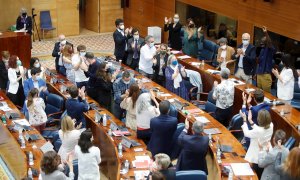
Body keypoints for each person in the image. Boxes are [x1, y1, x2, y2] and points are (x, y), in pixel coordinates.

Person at [240, 109, 274, 178]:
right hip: (267, 153)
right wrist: (250, 120)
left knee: (257, 175)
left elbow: (247, 133)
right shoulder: (271, 125)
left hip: (257, 156)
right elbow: (259, 129)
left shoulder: (258, 130)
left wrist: (244, 119)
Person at [257, 26, 276, 93]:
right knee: (258, 93)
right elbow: (259, 62)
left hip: (265, 75)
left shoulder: (270, 50)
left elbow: (269, 42)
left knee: (266, 95)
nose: (261, 43)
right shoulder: (262, 50)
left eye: (263, 42)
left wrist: (265, 33)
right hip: (259, 74)